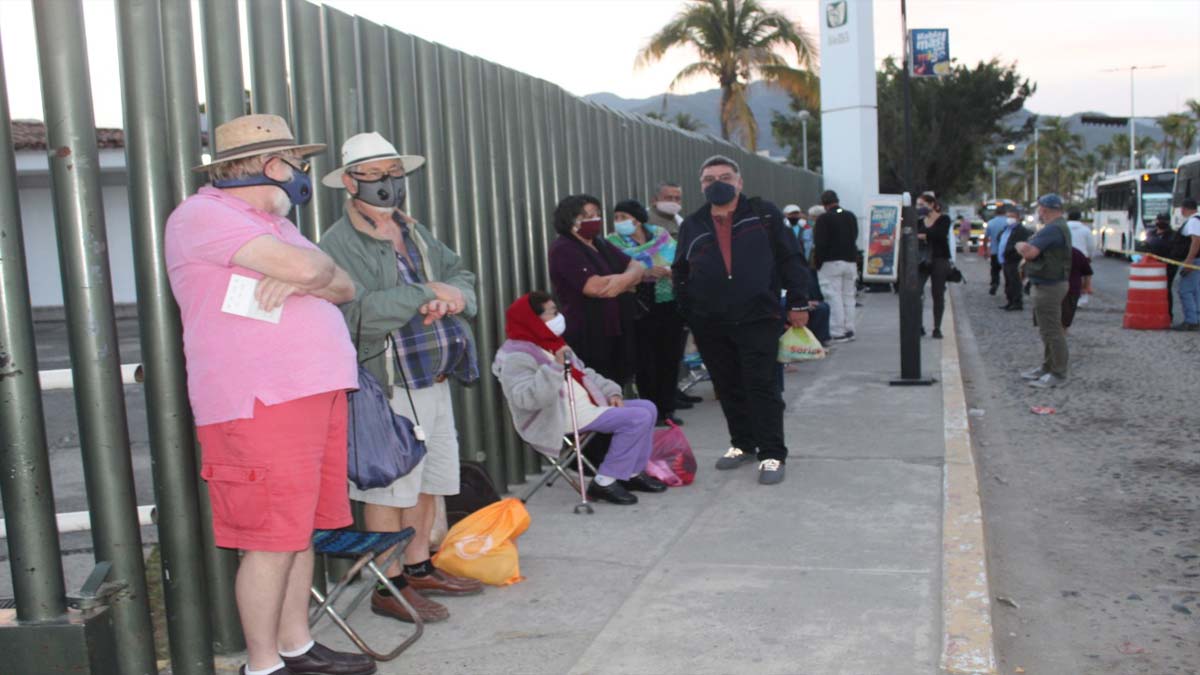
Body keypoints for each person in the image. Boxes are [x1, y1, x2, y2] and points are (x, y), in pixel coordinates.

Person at [165, 114, 374, 675]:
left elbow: (346, 286)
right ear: (270, 165)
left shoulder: (271, 224)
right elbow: (316, 269)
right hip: (259, 401)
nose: (302, 173)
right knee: (269, 537)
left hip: (308, 393)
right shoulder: (205, 214)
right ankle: (262, 664)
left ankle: (295, 645)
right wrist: (312, 273)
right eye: (297, 163)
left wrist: (312, 276)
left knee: (296, 531)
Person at [318, 132, 484, 626]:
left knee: (429, 480)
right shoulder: (338, 244)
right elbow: (355, 315)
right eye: (373, 174)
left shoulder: (414, 229)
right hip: (387, 387)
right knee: (389, 488)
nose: (387, 182)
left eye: (393, 172)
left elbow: (460, 273)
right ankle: (387, 585)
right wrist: (423, 294)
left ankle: (418, 568)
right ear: (349, 182)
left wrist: (454, 295)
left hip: (433, 377)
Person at [672, 155, 810, 485]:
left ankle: (772, 454)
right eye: (709, 179)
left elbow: (790, 258)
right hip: (710, 322)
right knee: (727, 385)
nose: (717, 184)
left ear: (739, 182)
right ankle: (743, 444)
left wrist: (798, 301)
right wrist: (689, 312)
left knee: (762, 386)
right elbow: (681, 271)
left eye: (725, 177)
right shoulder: (692, 224)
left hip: (758, 317)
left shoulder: (764, 214)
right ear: (701, 185)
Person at [492, 292, 667, 505]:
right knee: (637, 418)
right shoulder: (517, 356)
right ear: (533, 319)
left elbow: (585, 373)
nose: (559, 317)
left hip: (588, 406)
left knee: (648, 407)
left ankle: (631, 473)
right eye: (552, 313)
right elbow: (526, 399)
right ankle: (604, 481)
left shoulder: (553, 343)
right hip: (556, 416)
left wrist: (612, 392)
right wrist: (555, 367)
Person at [548, 194, 645, 387]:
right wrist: (629, 281)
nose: (595, 219)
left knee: (617, 384)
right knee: (597, 387)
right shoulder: (564, 248)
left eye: (596, 214)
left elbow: (637, 267)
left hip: (616, 329)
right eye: (587, 216)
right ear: (570, 220)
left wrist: (622, 279)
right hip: (588, 333)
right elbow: (595, 288)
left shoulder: (599, 243)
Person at [605, 199, 686, 427]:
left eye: (623, 217)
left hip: (668, 301)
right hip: (638, 305)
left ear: (637, 219)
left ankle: (667, 409)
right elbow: (616, 270)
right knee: (644, 360)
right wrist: (645, 272)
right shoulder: (612, 243)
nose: (618, 222)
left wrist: (669, 270)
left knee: (669, 357)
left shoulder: (661, 235)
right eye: (616, 217)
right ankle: (651, 409)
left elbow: (678, 258)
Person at [1016, 194, 1073, 388]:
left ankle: (1057, 373)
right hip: (1049, 283)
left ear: (1044, 209)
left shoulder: (1052, 229)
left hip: (1049, 286)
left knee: (1052, 331)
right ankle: (1047, 367)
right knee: (1047, 330)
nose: (1038, 212)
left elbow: (1030, 252)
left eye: (1039, 208)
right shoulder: (1058, 227)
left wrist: (1020, 246)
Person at [812, 190, 859, 342]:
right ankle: (850, 328)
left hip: (830, 263)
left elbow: (820, 243)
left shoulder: (824, 219)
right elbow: (855, 235)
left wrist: (818, 263)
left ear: (824, 204)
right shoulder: (850, 216)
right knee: (848, 296)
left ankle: (838, 331)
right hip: (850, 261)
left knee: (833, 297)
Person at [916, 192, 952, 338]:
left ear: (931, 204)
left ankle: (937, 327)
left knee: (938, 294)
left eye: (922, 204)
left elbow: (940, 235)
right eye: (917, 205)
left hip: (939, 259)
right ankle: (919, 325)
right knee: (917, 291)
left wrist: (923, 236)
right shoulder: (919, 221)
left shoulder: (944, 219)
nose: (919, 207)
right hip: (922, 260)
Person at [1143, 213, 1177, 320]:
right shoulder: (1151, 233)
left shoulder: (1173, 235)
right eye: (1159, 220)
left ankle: (1168, 315)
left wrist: (1156, 243)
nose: (1161, 222)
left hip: (1167, 267)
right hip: (1151, 266)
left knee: (1166, 290)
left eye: (1164, 220)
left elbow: (1168, 248)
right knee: (1150, 291)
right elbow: (1145, 246)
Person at [1173, 198, 1200, 331]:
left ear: (1184, 209)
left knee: (1185, 290)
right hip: (1196, 260)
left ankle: (1191, 321)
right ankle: (1196, 319)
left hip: (1194, 261)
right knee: (1195, 291)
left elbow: (1196, 241)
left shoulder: (1193, 221)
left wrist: (1188, 262)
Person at [998, 205, 1030, 311]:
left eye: (1012, 217)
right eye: (1008, 217)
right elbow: (1001, 238)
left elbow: (1022, 244)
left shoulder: (1021, 230)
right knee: (1008, 282)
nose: (1009, 219)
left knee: (1015, 282)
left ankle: (1016, 302)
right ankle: (1010, 301)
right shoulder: (1006, 229)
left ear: (1018, 218)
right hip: (1005, 260)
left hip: (1014, 260)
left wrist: (1012, 252)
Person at [1066, 209, 1095, 304]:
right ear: (1080, 218)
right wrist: (1090, 256)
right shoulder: (1085, 230)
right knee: (1084, 276)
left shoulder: (1063, 228)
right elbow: (1091, 245)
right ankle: (1083, 296)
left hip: (1065, 255)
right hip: (1082, 256)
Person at [1062, 247, 1094, 332]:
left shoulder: (1046, 250)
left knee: (1049, 323)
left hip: (1050, 289)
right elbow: (1088, 272)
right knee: (1064, 322)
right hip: (1071, 290)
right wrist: (1086, 287)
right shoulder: (1076, 252)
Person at [984, 208, 1009, 295]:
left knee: (995, 270)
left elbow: (986, 237)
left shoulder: (991, 222)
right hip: (1007, 251)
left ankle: (995, 283)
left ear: (995, 213)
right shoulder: (1008, 222)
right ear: (1005, 212)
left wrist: (985, 250)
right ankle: (1008, 286)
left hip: (994, 251)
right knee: (1007, 270)